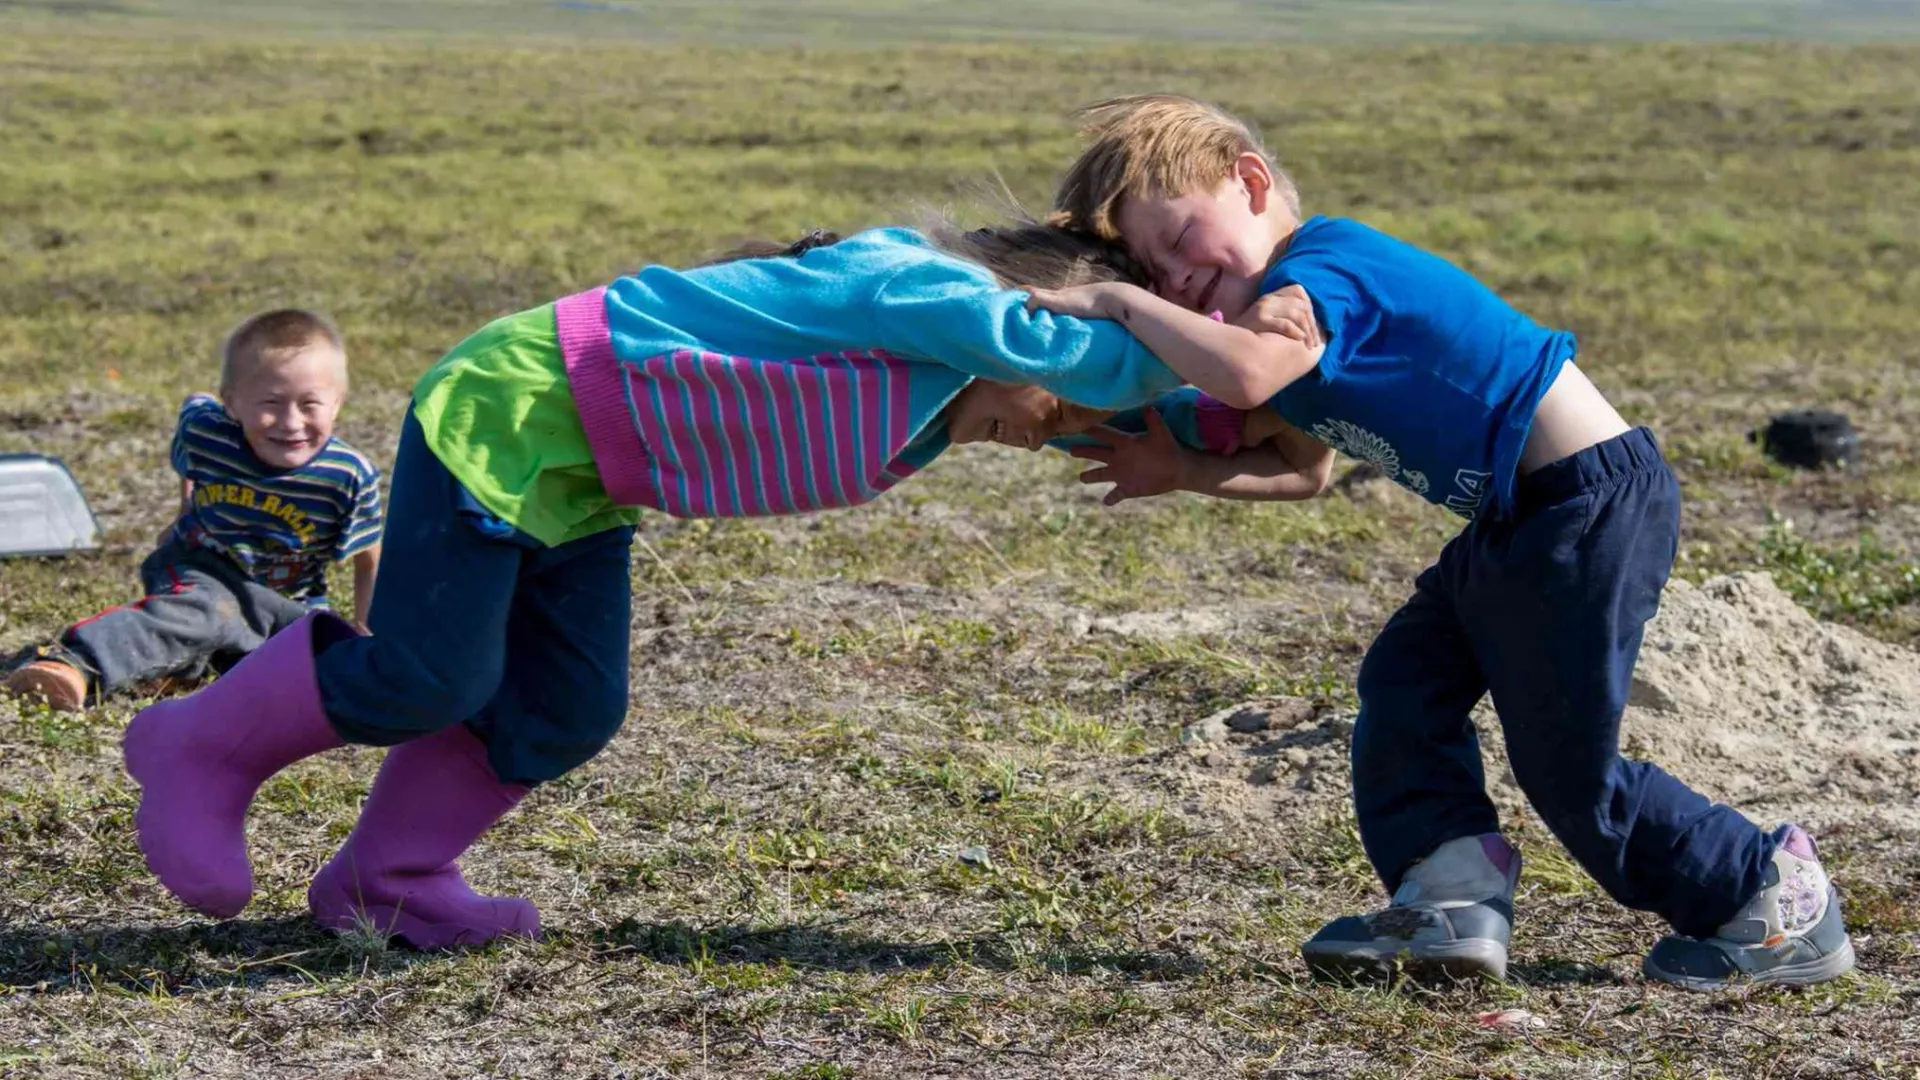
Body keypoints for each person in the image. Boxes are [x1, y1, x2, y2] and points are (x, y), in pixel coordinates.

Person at [121, 216, 1312, 950]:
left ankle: (386, 881)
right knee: (434, 674)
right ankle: (200, 747)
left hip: (585, 479)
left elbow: (1136, 404)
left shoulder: (976, 399)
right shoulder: (913, 291)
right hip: (512, 411)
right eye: (1058, 403)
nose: (1045, 431)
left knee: (569, 708)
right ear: (1034, 314)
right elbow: (1062, 354)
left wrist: (1273, 420)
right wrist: (1121, 313)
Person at [1032, 94, 1854, 991]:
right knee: (1404, 686)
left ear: (1251, 181)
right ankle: (1452, 894)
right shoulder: (1284, 328)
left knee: (1569, 770)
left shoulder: (1320, 269)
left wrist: (1114, 300)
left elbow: (1249, 371)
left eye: (1178, 239)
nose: (1174, 280)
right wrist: (1180, 467)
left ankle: (1770, 893)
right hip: (1519, 520)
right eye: (1151, 273)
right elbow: (1301, 468)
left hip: (1589, 502)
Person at [4, 309, 381, 713]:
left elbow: (370, 559)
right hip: (202, 570)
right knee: (203, 616)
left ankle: (184, 665)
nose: (291, 423)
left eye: (310, 404)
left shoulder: (347, 477)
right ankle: (73, 665)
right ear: (232, 402)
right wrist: (187, 507)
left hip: (289, 601)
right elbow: (192, 410)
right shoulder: (209, 433)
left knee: (325, 665)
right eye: (271, 403)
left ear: (337, 403)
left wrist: (366, 629)